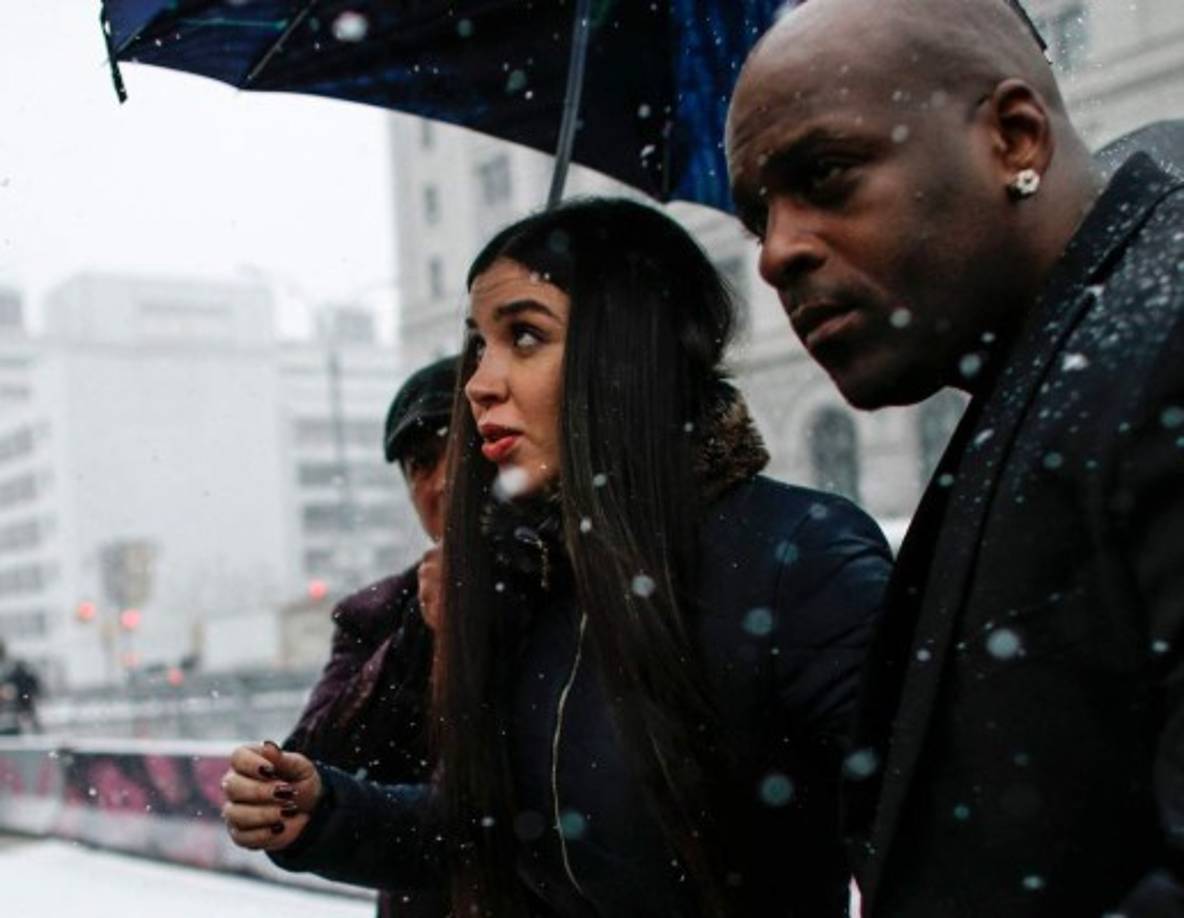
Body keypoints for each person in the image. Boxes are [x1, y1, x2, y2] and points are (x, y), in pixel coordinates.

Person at [222, 198, 892, 916]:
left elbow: (930, 843)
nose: (479, 382)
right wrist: (326, 812)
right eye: (480, 343)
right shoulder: (535, 577)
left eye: (526, 336)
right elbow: (494, 839)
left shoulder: (799, 555)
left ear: (628, 351)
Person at [726, 0, 1184, 915]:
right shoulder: (1048, 358)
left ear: (1015, 139)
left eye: (826, 175)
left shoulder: (1158, 343)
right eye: (758, 214)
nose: (776, 254)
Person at [282, 354, 457, 918]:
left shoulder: (588, 583)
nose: (444, 481)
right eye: (421, 464)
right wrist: (421, 633)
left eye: (465, 452)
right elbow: (314, 769)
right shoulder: (377, 615)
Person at [0, 639, 41, 736]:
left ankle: (35, 731)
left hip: (19, 699)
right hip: (18, 700)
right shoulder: (11, 668)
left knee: (24, 715)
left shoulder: (12, 669)